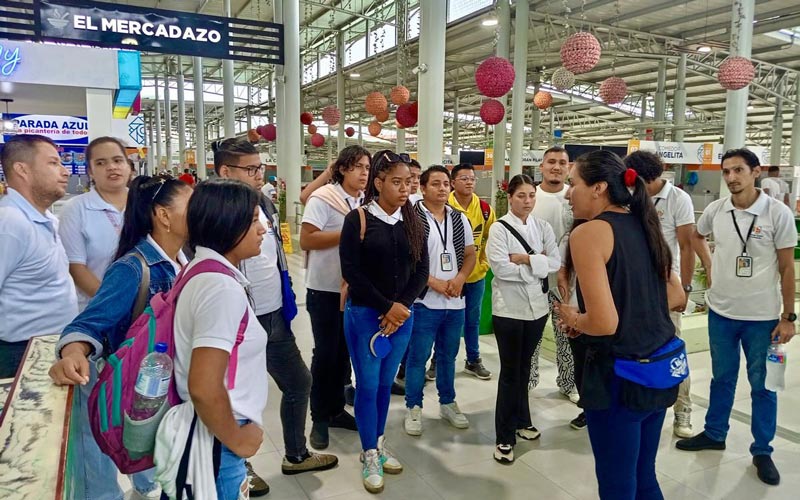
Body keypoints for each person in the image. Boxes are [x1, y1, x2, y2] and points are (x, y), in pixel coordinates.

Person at [50, 175, 192, 500]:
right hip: (136, 385)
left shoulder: (186, 261)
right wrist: (73, 352)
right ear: (164, 216)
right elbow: (90, 323)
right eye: (192, 204)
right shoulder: (133, 268)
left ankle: (148, 485)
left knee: (152, 446)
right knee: (124, 446)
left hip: (165, 386)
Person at [554, 150, 685, 499]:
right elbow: (677, 297)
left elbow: (604, 322)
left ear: (598, 188)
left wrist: (573, 317)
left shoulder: (589, 233)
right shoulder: (645, 224)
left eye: (574, 184)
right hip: (657, 372)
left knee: (616, 484)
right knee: (644, 477)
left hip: (619, 376)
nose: (569, 193)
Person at [214, 138, 335, 490]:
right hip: (235, 319)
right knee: (236, 399)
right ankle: (239, 468)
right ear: (225, 171)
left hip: (272, 315)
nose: (259, 174)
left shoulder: (263, 202)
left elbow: (276, 255)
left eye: (260, 167)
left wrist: (285, 296)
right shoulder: (213, 211)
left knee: (299, 382)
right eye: (251, 169)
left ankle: (296, 454)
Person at [676, 148, 797, 486]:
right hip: (721, 313)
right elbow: (696, 235)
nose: (731, 178)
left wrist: (788, 316)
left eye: (738, 170)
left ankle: (762, 450)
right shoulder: (716, 210)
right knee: (722, 379)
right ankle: (715, 433)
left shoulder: (777, 214)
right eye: (726, 171)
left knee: (763, 385)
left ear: (755, 172)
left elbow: (787, 269)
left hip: (762, 318)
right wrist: (710, 266)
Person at [171, 179, 269, 499]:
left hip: (209, 429)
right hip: (219, 435)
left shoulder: (201, 268)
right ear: (228, 223)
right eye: (254, 220)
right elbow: (204, 385)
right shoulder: (219, 287)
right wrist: (237, 439)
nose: (263, 230)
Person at [339, 150, 428, 494]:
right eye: (396, 181)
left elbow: (422, 269)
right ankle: (369, 453)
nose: (405, 188)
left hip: (402, 317)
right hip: (365, 315)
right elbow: (352, 272)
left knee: (384, 385)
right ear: (378, 183)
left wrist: (401, 306)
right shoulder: (358, 219)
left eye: (409, 182)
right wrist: (386, 307)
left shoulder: (412, 220)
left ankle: (377, 440)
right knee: (367, 384)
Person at [486, 174, 560, 463]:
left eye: (531, 195)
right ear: (510, 197)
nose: (527, 201)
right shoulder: (499, 229)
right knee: (510, 372)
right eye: (521, 196)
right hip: (509, 311)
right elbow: (501, 269)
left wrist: (526, 259)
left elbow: (555, 262)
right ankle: (504, 436)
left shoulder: (542, 227)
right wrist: (537, 265)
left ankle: (522, 420)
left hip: (537, 310)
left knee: (526, 367)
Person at [300, 145, 369, 449]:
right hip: (325, 289)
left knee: (344, 354)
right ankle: (319, 418)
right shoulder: (323, 198)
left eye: (367, 167)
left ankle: (337, 409)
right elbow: (307, 238)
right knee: (325, 354)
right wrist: (350, 232)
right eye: (357, 167)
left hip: (353, 288)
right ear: (341, 169)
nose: (364, 173)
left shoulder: (367, 202)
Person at [624, 150, 697, 438]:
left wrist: (686, 289)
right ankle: (638, 403)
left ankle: (683, 410)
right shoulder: (631, 197)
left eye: (637, 181)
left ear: (650, 178)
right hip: (634, 287)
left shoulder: (678, 199)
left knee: (671, 350)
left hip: (667, 287)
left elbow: (688, 246)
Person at [403, 165, 476, 436]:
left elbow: (470, 254)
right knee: (417, 357)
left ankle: (448, 402)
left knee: (448, 356)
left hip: (455, 301)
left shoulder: (459, 218)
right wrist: (431, 281)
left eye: (446, 183)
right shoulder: (410, 217)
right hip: (425, 301)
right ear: (422, 188)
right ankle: (413, 407)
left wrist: (459, 280)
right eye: (435, 183)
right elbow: (408, 259)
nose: (443, 188)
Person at [0, 134, 77, 378]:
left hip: (51, 345)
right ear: (22, 169)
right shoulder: (10, 223)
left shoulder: (47, 220)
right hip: (20, 353)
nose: (64, 172)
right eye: (53, 163)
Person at [529, 146, 578, 404]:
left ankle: (568, 383)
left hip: (566, 284)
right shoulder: (530, 196)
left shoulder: (574, 197)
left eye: (562, 162)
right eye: (551, 162)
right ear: (542, 166)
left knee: (566, 335)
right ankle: (529, 382)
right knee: (532, 337)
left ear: (569, 167)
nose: (556, 167)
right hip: (535, 283)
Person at [60, 137, 130, 312]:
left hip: (145, 311)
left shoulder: (145, 204)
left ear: (128, 166)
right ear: (90, 171)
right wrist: (115, 305)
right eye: (100, 163)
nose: (112, 167)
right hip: (98, 311)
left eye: (117, 160)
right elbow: (76, 268)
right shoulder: (76, 208)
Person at [447, 163, 495, 381]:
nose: (469, 182)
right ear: (453, 182)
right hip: (448, 277)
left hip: (475, 276)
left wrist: (483, 264)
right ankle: (440, 361)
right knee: (446, 320)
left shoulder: (485, 210)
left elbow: (489, 240)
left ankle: (473, 359)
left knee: (472, 320)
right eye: (464, 178)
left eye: (472, 178)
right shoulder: (442, 206)